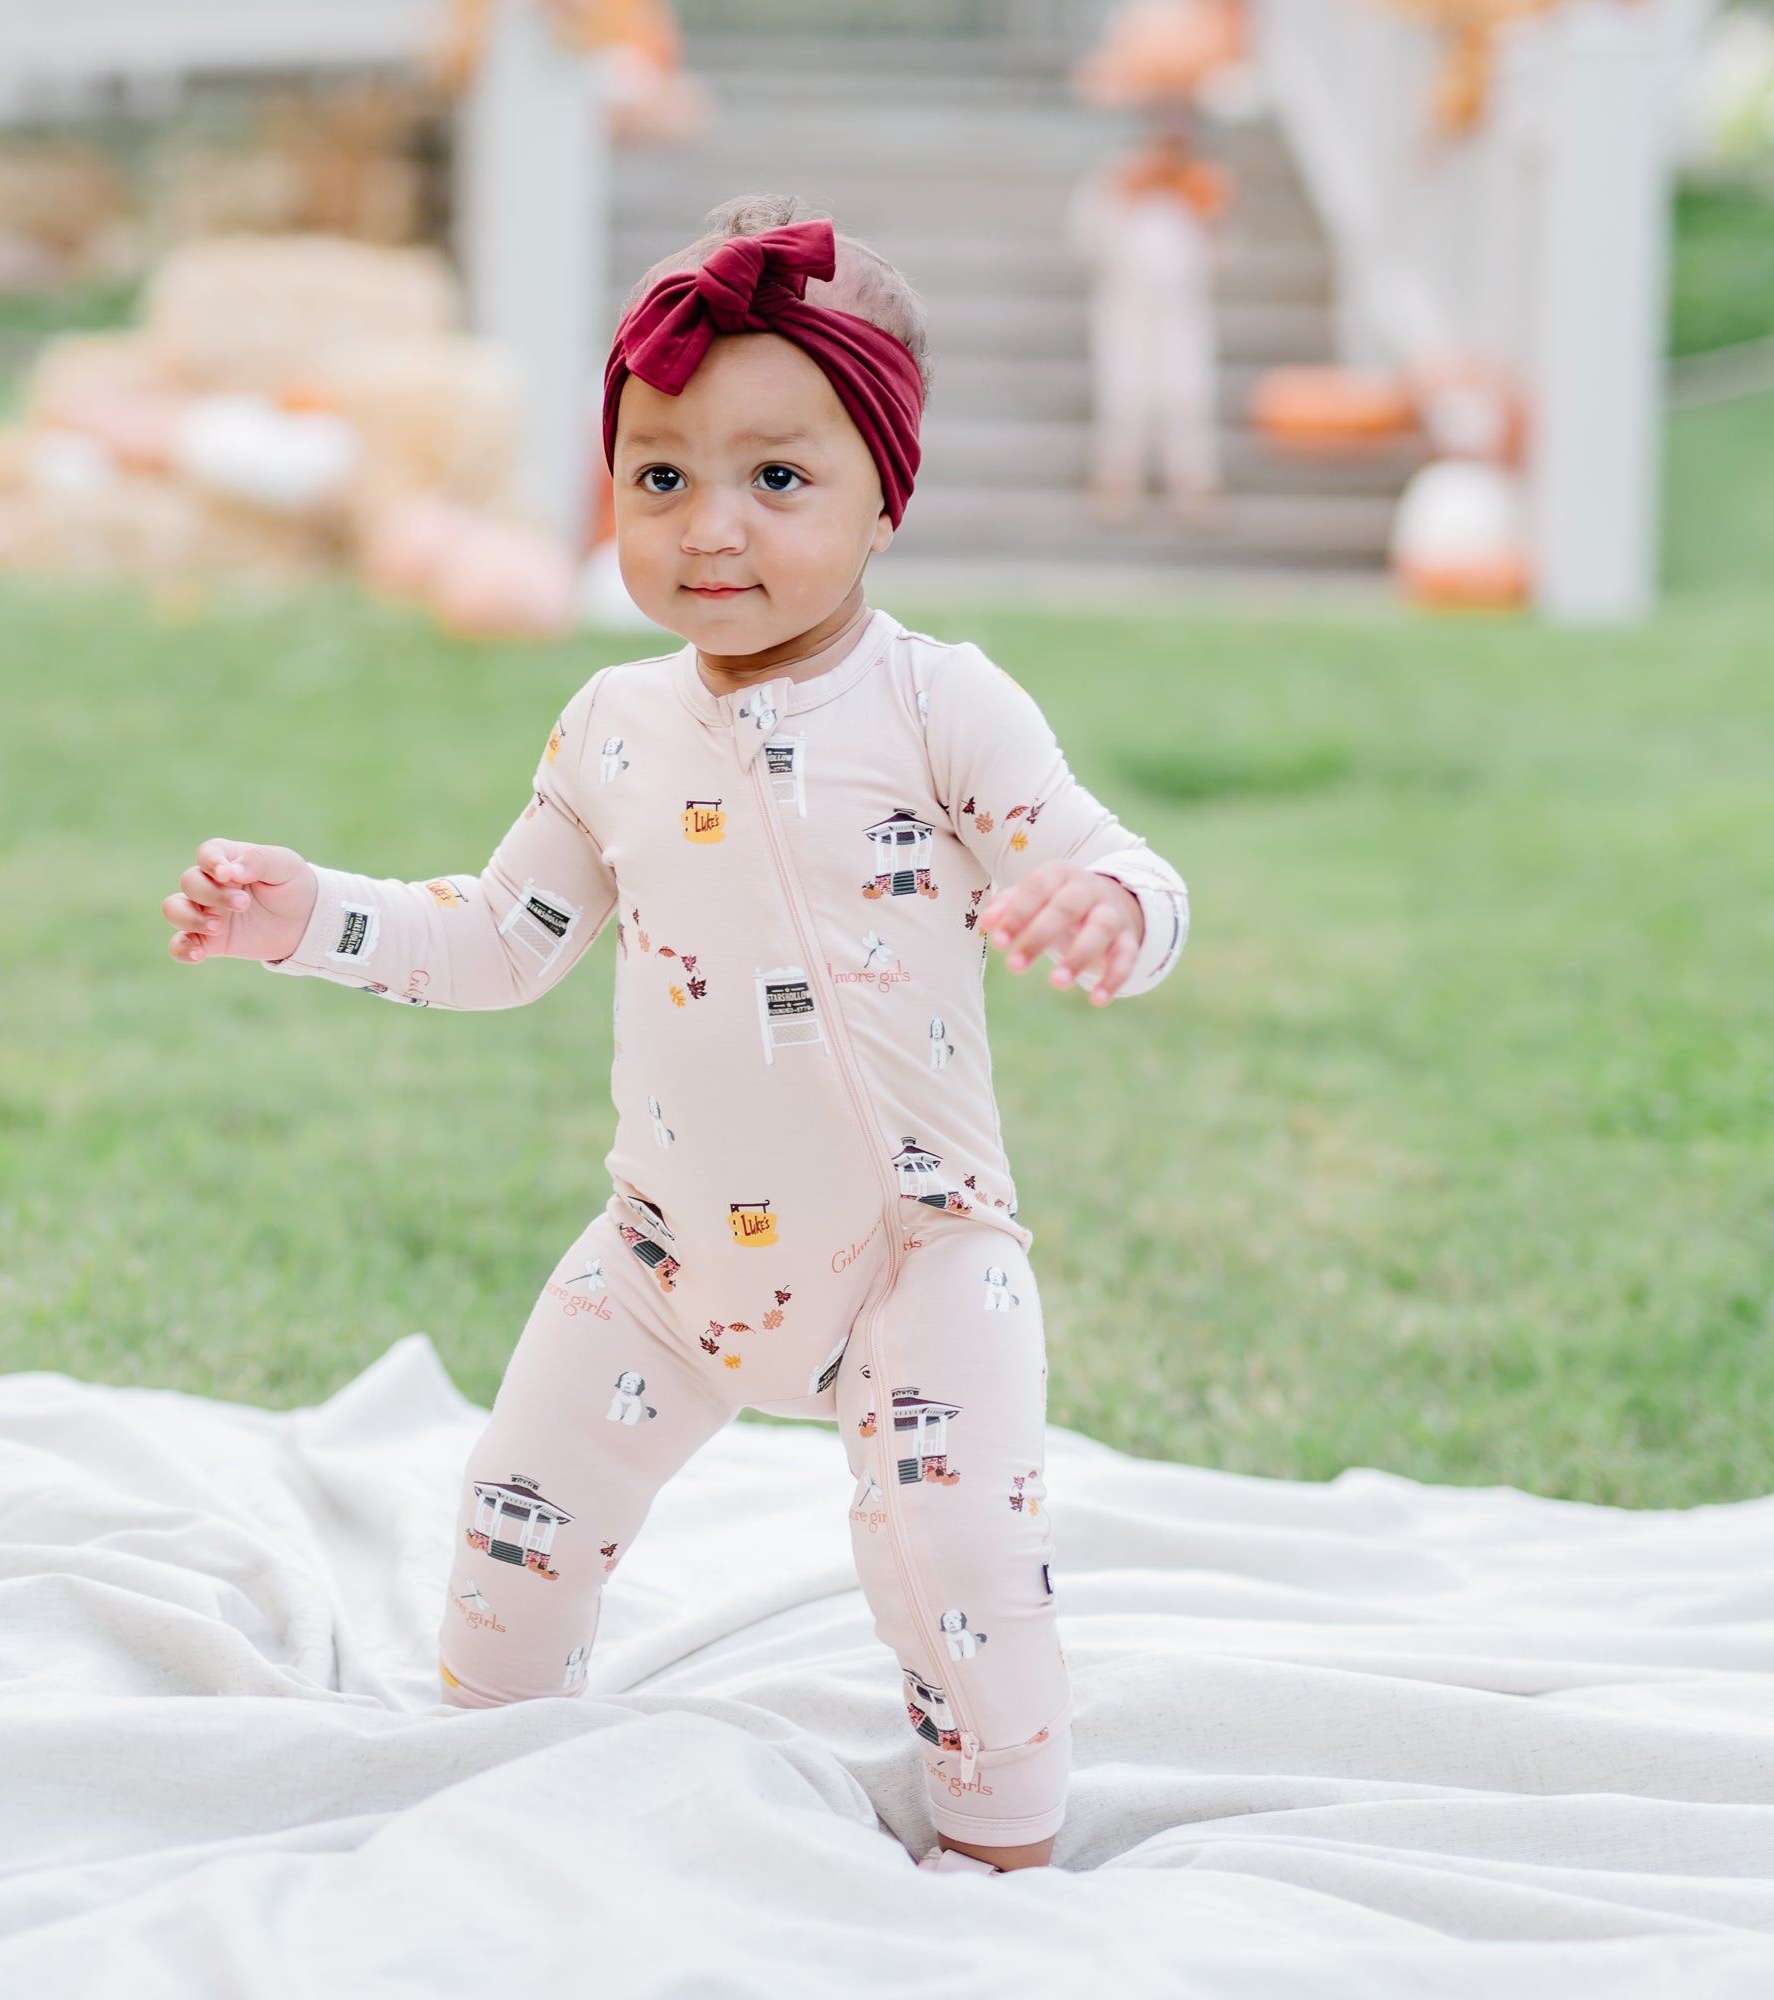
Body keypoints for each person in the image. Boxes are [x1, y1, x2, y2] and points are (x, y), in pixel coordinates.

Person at [159, 197, 1190, 1874]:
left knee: (965, 1574)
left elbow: (1108, 858)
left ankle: (1002, 1864)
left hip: (913, 1258)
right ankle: (490, 1793)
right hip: (663, 1258)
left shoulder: (942, 701)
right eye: (660, 476)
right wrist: (311, 917)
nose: (710, 527)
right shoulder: (612, 730)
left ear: (882, 497)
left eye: (777, 478)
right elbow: (499, 942)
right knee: (514, 1527)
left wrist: (1111, 913)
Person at [1066, 119, 1231, 521]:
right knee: (1124, 387)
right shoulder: (1117, 179)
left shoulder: (1201, 184)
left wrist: (1205, 213)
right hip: (1125, 304)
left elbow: (1223, 253)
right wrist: (1126, 198)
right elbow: (1086, 240)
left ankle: (1192, 480)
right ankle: (1119, 478)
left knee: (1187, 387)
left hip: (1182, 307)